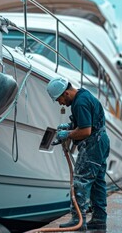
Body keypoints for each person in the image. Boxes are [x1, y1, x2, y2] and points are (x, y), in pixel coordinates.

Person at [46, 77, 110, 230]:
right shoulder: (83, 95)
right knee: (97, 182)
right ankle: (100, 219)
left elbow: (86, 130)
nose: (60, 103)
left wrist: (67, 134)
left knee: (81, 181)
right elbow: (85, 122)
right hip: (101, 141)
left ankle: (77, 220)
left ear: (66, 93)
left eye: (59, 99)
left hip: (93, 144)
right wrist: (69, 126)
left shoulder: (79, 103)